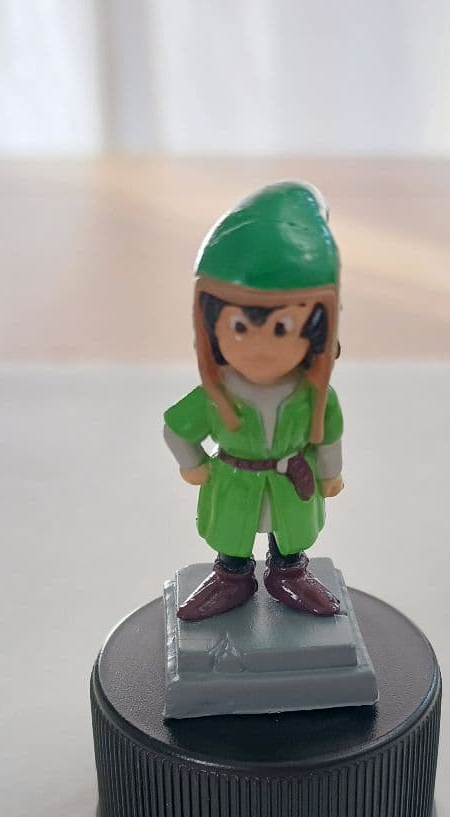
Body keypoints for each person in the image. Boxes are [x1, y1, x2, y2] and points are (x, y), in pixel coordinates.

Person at [164, 181, 345, 621]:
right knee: (233, 534)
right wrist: (193, 464)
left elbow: (329, 439)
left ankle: (289, 572)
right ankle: (231, 575)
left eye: (281, 329)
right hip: (234, 480)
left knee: (290, 533)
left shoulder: (313, 396)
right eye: (241, 328)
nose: (260, 348)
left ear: (317, 332)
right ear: (211, 328)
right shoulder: (217, 394)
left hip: (292, 481)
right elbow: (176, 429)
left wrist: (330, 473)